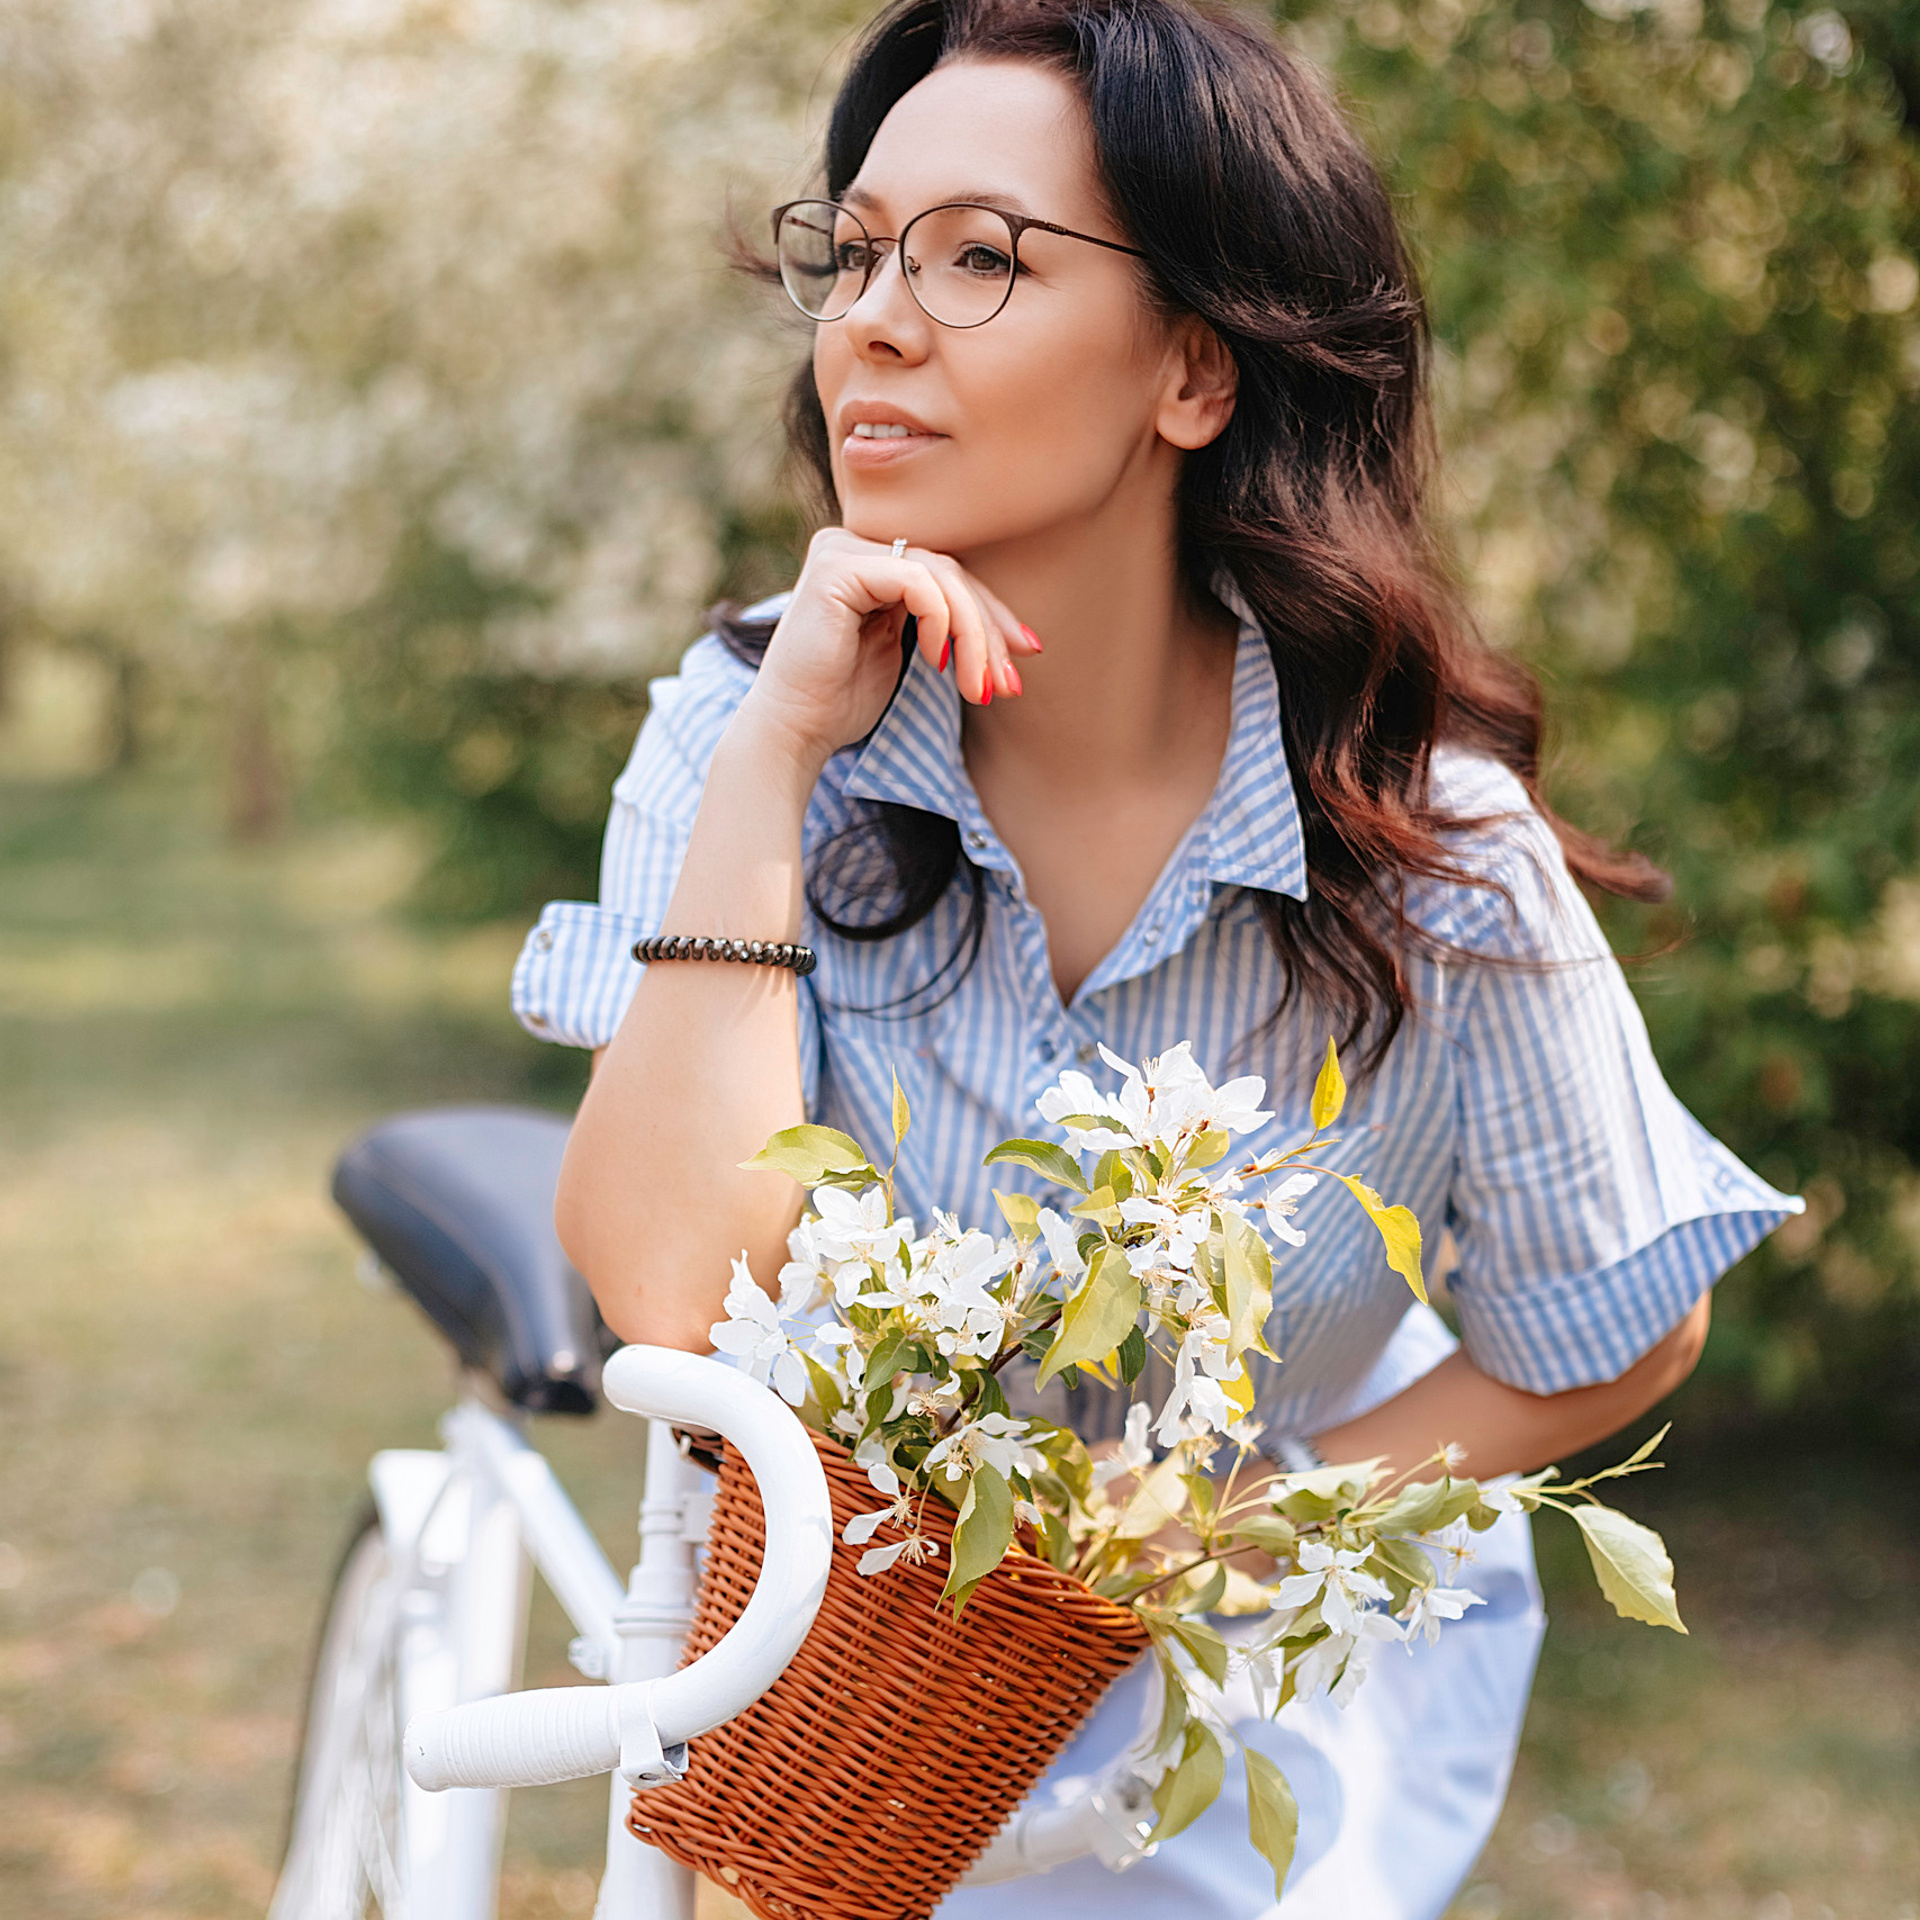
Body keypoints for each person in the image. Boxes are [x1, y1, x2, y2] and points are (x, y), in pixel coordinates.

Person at [511, 2, 1801, 1912]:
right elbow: (671, 1298)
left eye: (976, 259)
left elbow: (1613, 1324)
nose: (871, 316)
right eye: (858, 251)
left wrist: (1206, 1537)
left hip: (1242, 1719)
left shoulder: (1434, 863)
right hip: (839, 1721)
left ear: (1195, 371)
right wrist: (780, 758)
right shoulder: (739, 738)